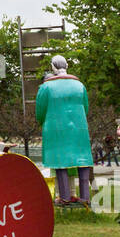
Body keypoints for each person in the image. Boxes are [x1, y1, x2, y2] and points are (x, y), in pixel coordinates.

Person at [35, 56, 93, 207]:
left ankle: (65, 197)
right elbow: (85, 108)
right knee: (82, 161)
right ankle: (85, 196)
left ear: (53, 67)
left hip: (55, 129)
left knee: (59, 161)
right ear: (67, 65)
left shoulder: (46, 87)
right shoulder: (80, 86)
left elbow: (40, 112)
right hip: (79, 129)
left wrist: (44, 122)